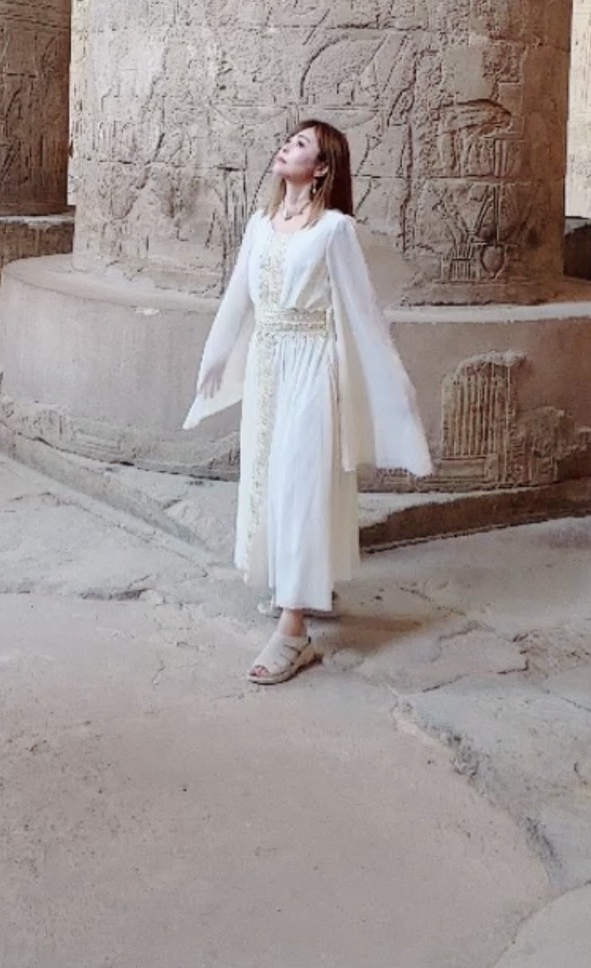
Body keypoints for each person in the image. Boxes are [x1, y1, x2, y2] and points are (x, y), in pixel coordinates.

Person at [184, 120, 432, 686]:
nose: (286, 146)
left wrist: (394, 387)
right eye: (289, 139)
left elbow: (363, 312)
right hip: (268, 364)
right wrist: (214, 358)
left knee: (301, 484)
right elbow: (237, 298)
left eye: (300, 144)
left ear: (321, 168)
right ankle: (299, 587)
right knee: (270, 480)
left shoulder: (335, 230)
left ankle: (293, 632)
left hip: (313, 367)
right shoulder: (260, 224)